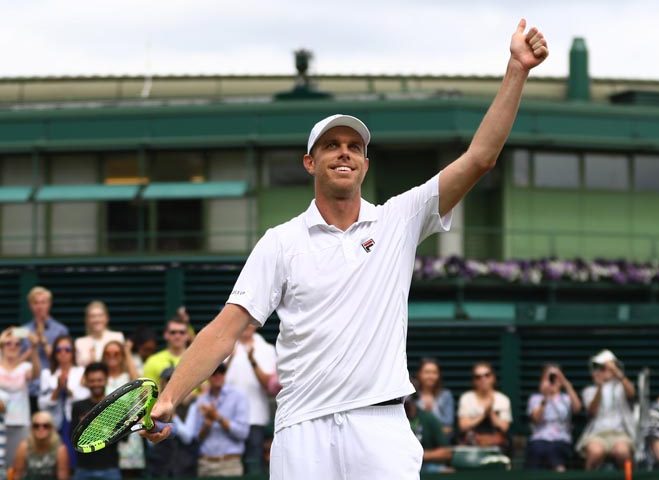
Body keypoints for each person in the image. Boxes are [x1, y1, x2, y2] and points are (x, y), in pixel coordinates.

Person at [144, 19, 549, 480]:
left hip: (380, 427)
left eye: (354, 146)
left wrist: (517, 69)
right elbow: (225, 330)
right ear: (310, 162)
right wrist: (172, 395)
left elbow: (481, 157)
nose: (344, 152)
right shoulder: (281, 241)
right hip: (302, 428)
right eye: (332, 145)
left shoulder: (399, 218)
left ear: (364, 163)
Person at [224, 322, 276, 474]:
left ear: (255, 325)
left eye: (250, 322)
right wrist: (231, 358)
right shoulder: (226, 346)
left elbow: (271, 386)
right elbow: (216, 380)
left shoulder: (267, 349)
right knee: (230, 466)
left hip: (256, 416)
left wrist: (253, 360)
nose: (246, 325)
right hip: (228, 417)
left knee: (254, 464)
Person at [185, 363, 249, 477]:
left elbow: (243, 433)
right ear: (208, 376)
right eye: (214, 373)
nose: (218, 376)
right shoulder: (202, 400)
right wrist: (207, 424)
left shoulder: (238, 396)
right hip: (205, 464)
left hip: (230, 464)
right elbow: (196, 437)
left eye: (221, 372)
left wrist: (218, 418)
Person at [576, 349, 636, 471]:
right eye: (601, 368)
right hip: (597, 434)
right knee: (595, 452)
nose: (603, 371)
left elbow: (632, 393)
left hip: (620, 434)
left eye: (606, 368)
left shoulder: (621, 386)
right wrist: (600, 387)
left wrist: (616, 372)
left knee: (622, 452)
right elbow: (592, 411)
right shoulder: (589, 390)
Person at [38, 335, 89, 469]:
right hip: (54, 424)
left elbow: (85, 398)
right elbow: (42, 404)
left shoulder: (82, 372)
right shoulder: (47, 374)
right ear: (54, 353)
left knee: (75, 461)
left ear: (73, 352)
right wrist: (57, 390)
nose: (63, 353)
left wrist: (67, 390)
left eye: (67, 349)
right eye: (59, 350)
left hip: (76, 421)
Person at [21, 286, 69, 414]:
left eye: (43, 302)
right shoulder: (23, 330)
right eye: (36, 303)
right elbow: (17, 362)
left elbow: (62, 360)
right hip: (29, 388)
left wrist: (43, 341)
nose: (39, 306)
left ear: (49, 304)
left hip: (52, 387)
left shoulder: (60, 330)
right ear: (30, 306)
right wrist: (32, 347)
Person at [525, 364, 582, 471]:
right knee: (537, 450)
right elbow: (536, 419)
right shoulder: (536, 398)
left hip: (561, 439)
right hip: (540, 438)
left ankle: (560, 471)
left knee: (553, 449)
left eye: (555, 377)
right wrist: (546, 397)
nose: (552, 380)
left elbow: (577, 408)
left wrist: (566, 384)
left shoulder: (566, 398)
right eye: (549, 377)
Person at [145, 367, 198, 478]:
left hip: (184, 468)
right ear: (162, 383)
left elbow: (188, 437)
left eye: (173, 380)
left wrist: (173, 416)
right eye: (168, 380)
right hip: (159, 467)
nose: (170, 385)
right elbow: (150, 442)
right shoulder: (153, 407)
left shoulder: (191, 404)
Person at [71, 362, 121, 480]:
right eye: (92, 380)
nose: (96, 384)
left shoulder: (116, 406)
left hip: (110, 468)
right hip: (83, 468)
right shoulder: (78, 406)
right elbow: (73, 437)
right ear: (86, 382)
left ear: (106, 380)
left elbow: (124, 438)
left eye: (99, 380)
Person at [0, 327, 41, 470]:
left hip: (20, 423)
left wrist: (34, 348)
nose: (12, 346)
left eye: (17, 343)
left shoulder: (24, 367)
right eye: (8, 343)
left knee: (18, 466)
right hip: (1, 425)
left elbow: (36, 374)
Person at [101, 341, 143, 476]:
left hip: (128, 430)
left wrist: (127, 352)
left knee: (128, 473)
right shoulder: (101, 379)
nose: (112, 356)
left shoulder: (127, 377)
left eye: (116, 353)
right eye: (108, 353)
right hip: (104, 431)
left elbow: (139, 384)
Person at [457, 361, 512, 454]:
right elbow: (463, 426)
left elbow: (504, 427)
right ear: (474, 381)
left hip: (496, 442)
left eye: (487, 375)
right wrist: (483, 415)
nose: (483, 379)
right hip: (472, 443)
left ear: (493, 378)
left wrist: (490, 413)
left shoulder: (503, 399)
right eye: (478, 377)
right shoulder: (466, 398)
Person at [404, 385, 453, 474]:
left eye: (407, 401)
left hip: (425, 466)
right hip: (401, 467)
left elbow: (447, 453)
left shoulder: (428, 418)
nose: (405, 406)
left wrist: (417, 455)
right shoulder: (392, 420)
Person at [11, 410, 70, 480]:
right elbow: (17, 474)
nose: (41, 428)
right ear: (32, 428)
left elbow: (63, 476)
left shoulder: (60, 449)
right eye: (36, 426)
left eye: (45, 426)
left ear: (51, 428)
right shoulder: (24, 446)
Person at [414, 357, 455, 440]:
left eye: (434, 372)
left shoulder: (445, 395)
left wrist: (430, 413)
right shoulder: (411, 396)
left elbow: (448, 426)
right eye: (427, 372)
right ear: (419, 374)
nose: (430, 376)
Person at [75, 301, 125, 367]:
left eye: (100, 315)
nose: (97, 319)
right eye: (93, 316)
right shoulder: (79, 342)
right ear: (87, 320)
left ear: (107, 318)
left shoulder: (117, 337)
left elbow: (124, 364)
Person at [142, 317, 190, 385]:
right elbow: (147, 391)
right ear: (165, 334)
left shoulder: (197, 360)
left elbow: (207, 389)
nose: (177, 336)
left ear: (187, 335)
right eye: (173, 332)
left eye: (182, 332)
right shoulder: (153, 360)